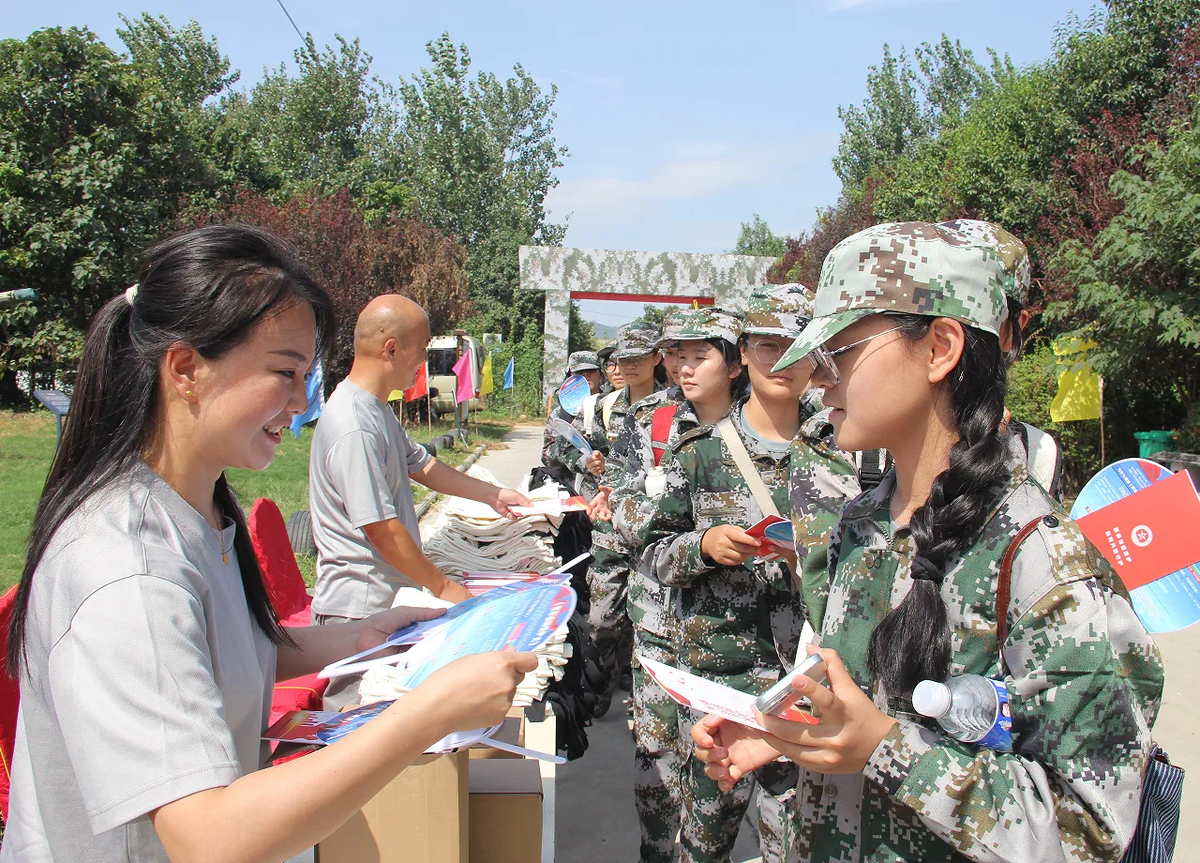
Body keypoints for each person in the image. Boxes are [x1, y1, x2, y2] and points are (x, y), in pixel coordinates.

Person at [2, 225, 538, 863]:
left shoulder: (194, 512)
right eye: (284, 374)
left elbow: (232, 655)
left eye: (306, 377)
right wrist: (428, 714)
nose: (298, 404)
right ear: (185, 369)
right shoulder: (128, 567)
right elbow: (208, 837)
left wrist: (376, 634)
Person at [692, 222, 1164, 863]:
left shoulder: (1043, 565)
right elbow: (860, 700)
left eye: (842, 352)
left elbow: (1091, 826)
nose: (817, 381)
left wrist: (886, 750)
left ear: (940, 347)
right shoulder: (858, 527)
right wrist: (779, 731)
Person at [638, 286, 822, 863]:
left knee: (792, 847)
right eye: (768, 346)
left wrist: (813, 559)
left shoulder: (841, 453)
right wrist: (703, 545)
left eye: (798, 346)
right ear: (744, 355)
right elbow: (650, 554)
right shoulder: (699, 451)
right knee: (700, 846)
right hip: (718, 691)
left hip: (800, 692)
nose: (783, 360)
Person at [309, 295, 531, 709]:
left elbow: (423, 466)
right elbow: (381, 528)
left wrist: (491, 494)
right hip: (358, 608)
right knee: (359, 733)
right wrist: (444, 587)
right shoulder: (353, 425)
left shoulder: (375, 409)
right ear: (391, 349)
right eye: (422, 348)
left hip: (385, 600)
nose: (424, 361)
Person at [611, 306, 745, 863]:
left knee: (717, 786)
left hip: (736, 642)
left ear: (734, 364)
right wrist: (689, 535)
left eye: (699, 356)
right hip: (661, 631)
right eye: (675, 356)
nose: (684, 369)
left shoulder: (768, 427)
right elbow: (619, 506)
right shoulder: (653, 426)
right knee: (656, 778)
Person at [568, 320, 666, 717]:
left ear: (656, 358)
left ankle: (645, 702)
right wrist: (590, 463)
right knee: (603, 618)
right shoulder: (602, 406)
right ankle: (601, 693)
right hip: (609, 524)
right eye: (622, 359)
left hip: (653, 527)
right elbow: (572, 448)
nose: (628, 366)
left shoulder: (677, 405)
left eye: (639, 358)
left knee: (652, 623)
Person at [938, 218, 1064, 500]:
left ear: (1014, 328)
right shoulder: (860, 440)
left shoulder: (1038, 454)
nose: (953, 336)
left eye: (979, 315)